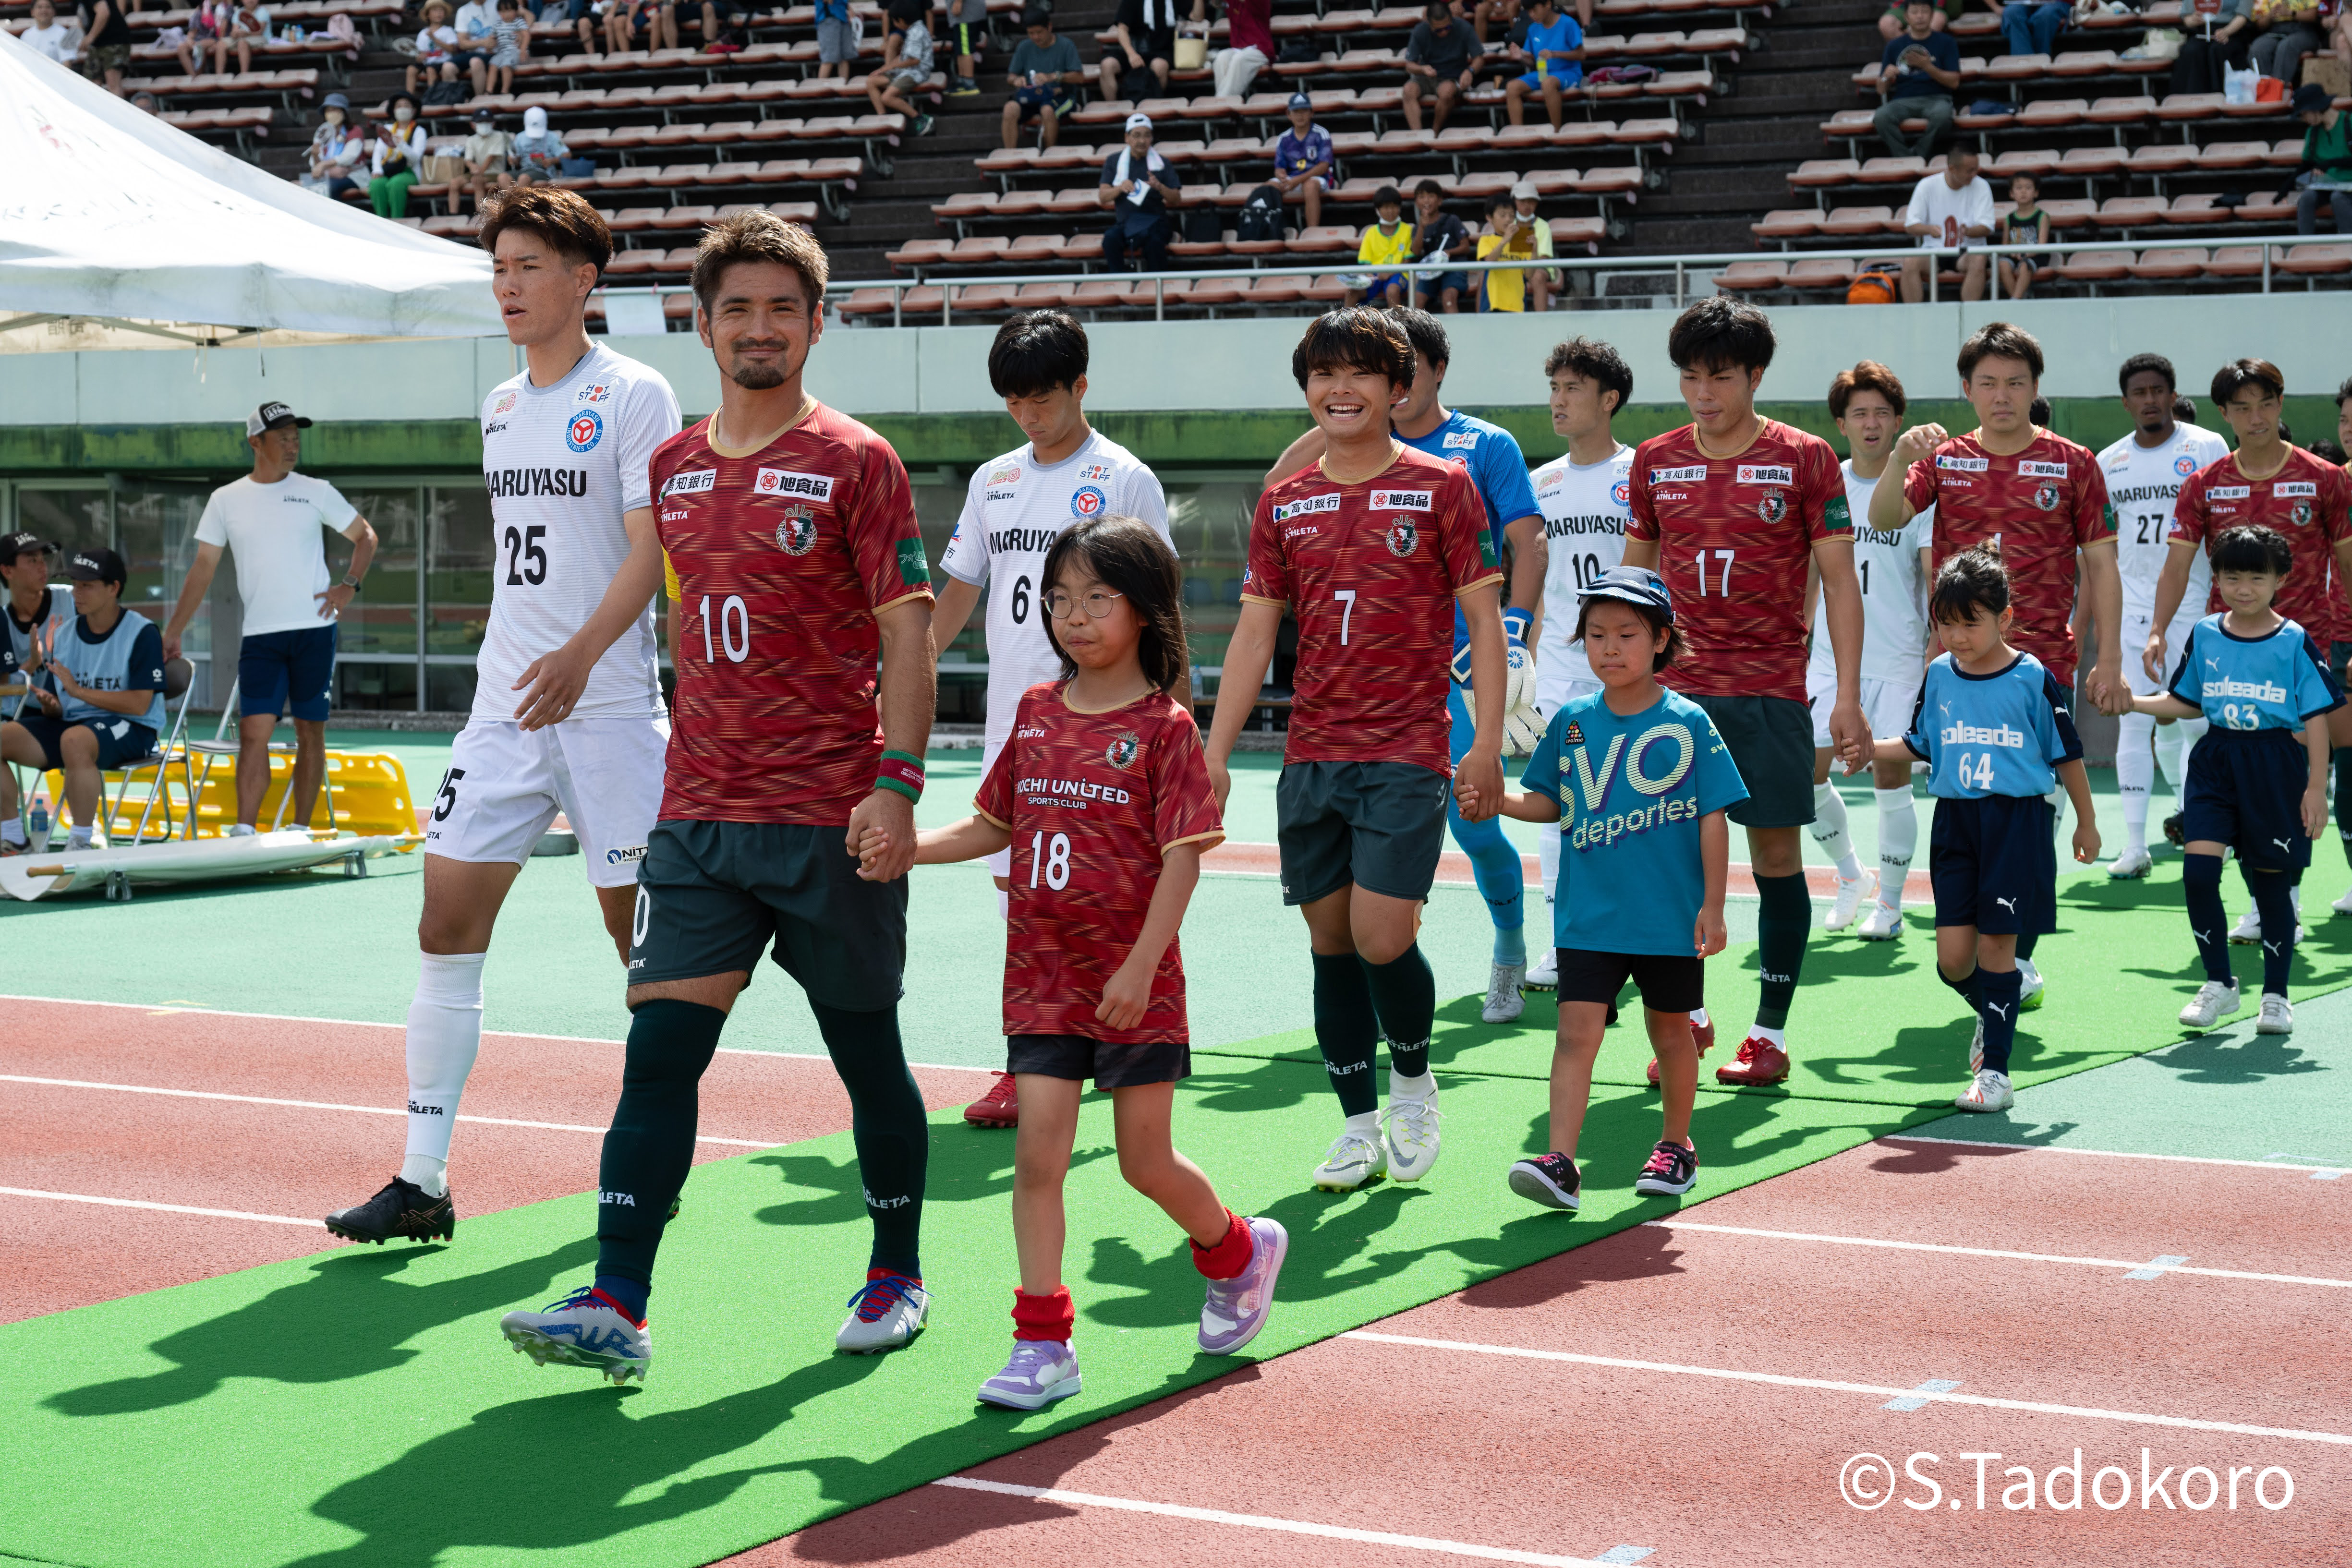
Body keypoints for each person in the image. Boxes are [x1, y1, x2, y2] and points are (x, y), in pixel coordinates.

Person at [496, 210, 937, 1378]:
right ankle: (617, 1301)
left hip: (830, 819)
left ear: (816, 324)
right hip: (696, 818)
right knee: (658, 1054)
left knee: (866, 1055)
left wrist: (896, 786)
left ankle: (896, 1269)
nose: (759, 327)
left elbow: (908, 634)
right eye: (737, 307)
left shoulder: (858, 460)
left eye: (782, 308)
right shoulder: (675, 467)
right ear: (702, 326)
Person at [322, 189, 681, 1250]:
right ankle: (421, 1180)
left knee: (643, 947)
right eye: (499, 269)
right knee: (444, 921)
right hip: (505, 708)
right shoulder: (497, 403)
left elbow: (651, 549)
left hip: (608, 707)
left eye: (529, 267)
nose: (509, 287)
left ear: (583, 278)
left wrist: (580, 655)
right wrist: (526, 655)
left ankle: (653, 1156)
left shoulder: (635, 393)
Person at [902, 514, 1285, 1406]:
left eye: (1097, 598)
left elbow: (1184, 858)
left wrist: (1141, 967)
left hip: (1132, 986)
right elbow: (992, 825)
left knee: (1143, 1162)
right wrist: (905, 847)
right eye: (1059, 598)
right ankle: (1043, 1343)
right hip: (1041, 977)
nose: (1073, 616)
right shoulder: (1036, 710)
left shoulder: (1165, 729)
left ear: (1144, 609)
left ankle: (1238, 1250)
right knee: (1038, 1160)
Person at [1205, 307, 1507, 1193]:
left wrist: (1487, 742)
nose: (1340, 389)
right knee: (1330, 941)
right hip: (1312, 754)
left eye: (1360, 373)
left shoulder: (1444, 485)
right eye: (1323, 374)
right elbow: (1254, 634)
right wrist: (1213, 753)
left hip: (1407, 748)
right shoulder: (1284, 500)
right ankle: (1356, 1125)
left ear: (1397, 387)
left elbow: (1484, 623)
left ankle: (1412, 1084)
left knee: (1381, 934)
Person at [1264, 308, 1547, 1023]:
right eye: (1333, 371)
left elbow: (1528, 540)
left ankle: (1508, 948)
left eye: (1377, 368)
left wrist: (1515, 631)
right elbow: (1275, 486)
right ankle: (1380, 991)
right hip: (1350, 695)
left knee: (1475, 825)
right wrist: (1338, 415)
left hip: (1456, 670)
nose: (1352, 383)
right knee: (1357, 911)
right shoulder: (1340, 439)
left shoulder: (1480, 447)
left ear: (1425, 372)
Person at [1622, 297, 1869, 1087]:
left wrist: (1845, 695)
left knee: (1774, 859)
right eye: (1690, 377)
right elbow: (1633, 582)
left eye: (1720, 377)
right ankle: (1688, 1017)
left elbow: (1839, 582)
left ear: (1755, 376)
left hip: (1768, 691)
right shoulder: (1654, 459)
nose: (1703, 393)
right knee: (1668, 865)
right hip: (1675, 698)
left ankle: (1768, 1032)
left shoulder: (1805, 458)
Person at [934, 310, 1171, 1128]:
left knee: (1105, 894)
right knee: (1023, 904)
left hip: (1107, 729)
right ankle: (1029, 1063)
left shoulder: (1124, 478)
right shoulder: (993, 480)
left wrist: (1166, 718)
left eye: (1042, 399)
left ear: (1080, 387)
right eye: (1014, 402)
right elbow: (960, 588)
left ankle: (1118, 1044)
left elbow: (1158, 604)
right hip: (1018, 726)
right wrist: (911, 666)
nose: (1028, 416)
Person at [1873, 322, 2124, 1010]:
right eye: (1987, 383)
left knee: (2034, 803)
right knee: (1968, 797)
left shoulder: (2073, 462)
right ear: (1966, 389)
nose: (2001, 395)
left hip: (2043, 664)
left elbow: (2102, 564)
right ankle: (1991, 951)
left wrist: (2109, 656)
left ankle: (2015, 948)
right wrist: (1898, 458)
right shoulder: (1944, 459)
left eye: (2015, 382)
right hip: (1958, 669)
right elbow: (1886, 515)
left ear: (2035, 387)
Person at [1483, 568, 1741, 1209]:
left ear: (1660, 640)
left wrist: (1712, 906)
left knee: (1671, 1033)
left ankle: (1676, 1145)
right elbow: (1549, 801)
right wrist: (1499, 801)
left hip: (1667, 917)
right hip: (1587, 917)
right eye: (1596, 634)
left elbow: (1712, 817)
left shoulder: (1688, 721)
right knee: (1575, 1033)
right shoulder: (1571, 720)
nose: (1609, 647)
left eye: (1627, 633)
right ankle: (1560, 1161)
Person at [1870, 549, 2097, 1113]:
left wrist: (2086, 822)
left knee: (1997, 946)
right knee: (1953, 960)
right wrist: (1865, 750)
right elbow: (1919, 743)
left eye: (1969, 622)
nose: (1955, 636)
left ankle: (1995, 1071)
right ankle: (1995, 1009)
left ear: (2004, 617)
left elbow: (2066, 754)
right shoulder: (1938, 674)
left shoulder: (2031, 677)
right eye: (1945, 623)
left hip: (2015, 823)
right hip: (1954, 823)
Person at [2154, 357, 2352, 923]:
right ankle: (2267, 902)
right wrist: (2155, 629)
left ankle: (2280, 900)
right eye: (2241, 407)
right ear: (2223, 413)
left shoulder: (2325, 478)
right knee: (2243, 781)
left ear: (2280, 404)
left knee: (2298, 775)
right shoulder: (2203, 484)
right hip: (2229, 658)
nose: (2255, 416)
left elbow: (2347, 565)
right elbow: (2176, 566)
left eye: (2265, 403)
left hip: (2303, 653)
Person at [2134, 526, 2340, 1037]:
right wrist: (2132, 702)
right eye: (2231, 577)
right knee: (2198, 875)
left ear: (2280, 579)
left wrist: (2316, 786)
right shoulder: (2205, 633)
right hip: (2215, 761)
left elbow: (2316, 717)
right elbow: (2185, 702)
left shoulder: (2293, 640)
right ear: (2216, 578)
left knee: (2270, 883)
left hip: (2275, 766)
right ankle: (2219, 983)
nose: (2242, 588)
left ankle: (2276, 995)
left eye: (2255, 578)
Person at [159, 403, 377, 837]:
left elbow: (365, 537)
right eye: (283, 438)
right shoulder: (226, 500)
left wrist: (349, 586)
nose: (293, 446)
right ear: (255, 443)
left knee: (310, 732)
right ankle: (245, 829)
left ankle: (300, 829)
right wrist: (174, 631)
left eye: (296, 438)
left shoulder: (316, 490)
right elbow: (203, 569)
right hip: (261, 636)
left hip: (315, 631)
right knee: (253, 732)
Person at [1520, 337, 1637, 990]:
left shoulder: (1639, 471)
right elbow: (1540, 583)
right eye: (1553, 388)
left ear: (1608, 398)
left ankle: (1633, 937)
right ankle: (1564, 939)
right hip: (1561, 666)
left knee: (1628, 802)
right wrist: (1527, 658)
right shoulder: (1541, 481)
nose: (1557, 401)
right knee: (1558, 797)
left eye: (1572, 389)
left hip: (1628, 663)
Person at [1809, 362, 1933, 942]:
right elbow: (1809, 574)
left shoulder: (1917, 489)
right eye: (1858, 412)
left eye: (1881, 412)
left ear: (1898, 421)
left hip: (1898, 658)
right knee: (1805, 776)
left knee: (1891, 778)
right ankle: (1850, 875)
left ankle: (1889, 902)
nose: (1870, 423)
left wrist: (1934, 651)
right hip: (1828, 662)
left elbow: (1932, 579)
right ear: (1841, 423)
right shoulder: (1823, 483)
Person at [2097, 353, 2230, 880]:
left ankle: (2206, 830)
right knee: (2132, 721)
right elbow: (2101, 546)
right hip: (2132, 610)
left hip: (2195, 608)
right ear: (2125, 402)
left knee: (2198, 722)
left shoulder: (2206, 446)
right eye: (2140, 392)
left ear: (2173, 396)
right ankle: (2134, 845)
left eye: (2158, 390)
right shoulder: (2108, 461)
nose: (2149, 400)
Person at [0, 549, 166, 855]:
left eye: (87, 586)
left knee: (75, 740)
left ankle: (80, 842)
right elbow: (61, 703)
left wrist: (78, 692)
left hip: (133, 728)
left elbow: (140, 705)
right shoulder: (64, 635)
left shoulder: (142, 632)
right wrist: (52, 705)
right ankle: (13, 840)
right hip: (73, 724)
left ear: (113, 588)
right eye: (75, 585)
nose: (77, 593)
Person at [1900, 148, 1992, 303]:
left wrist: (1969, 231)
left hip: (1967, 252)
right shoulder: (1927, 185)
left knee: (1979, 259)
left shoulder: (1982, 186)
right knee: (1910, 262)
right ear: (1952, 169)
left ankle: (1969, 313)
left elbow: (1987, 227)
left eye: (1976, 169)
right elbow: (1911, 225)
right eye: (1970, 171)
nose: (1974, 174)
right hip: (1934, 250)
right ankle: (1914, 315)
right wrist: (1929, 229)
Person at [1875, 0, 1961, 158]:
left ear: (1932, 15)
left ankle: (1919, 154)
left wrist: (1927, 67)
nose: (1920, 16)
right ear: (1906, 17)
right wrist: (1886, 77)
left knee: (1943, 116)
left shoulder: (1946, 42)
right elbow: (1881, 90)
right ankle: (1905, 157)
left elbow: (1955, 82)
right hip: (1903, 100)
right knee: (1881, 117)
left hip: (1937, 98)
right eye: (1915, 12)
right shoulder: (1894, 46)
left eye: (1924, 11)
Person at [1098, 113, 1180, 273]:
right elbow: (1103, 197)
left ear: (1152, 138)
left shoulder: (1162, 163)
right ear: (1127, 138)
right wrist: (1120, 188)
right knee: (1110, 240)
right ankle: (1120, 280)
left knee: (1155, 244)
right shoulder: (1114, 161)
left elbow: (1176, 200)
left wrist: (1160, 187)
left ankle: (1156, 283)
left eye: (1147, 136)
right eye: (1137, 136)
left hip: (1156, 223)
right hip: (1126, 223)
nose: (1142, 141)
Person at [1003, 8, 1084, 151]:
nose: (1035, 37)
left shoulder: (1066, 45)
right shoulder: (1024, 47)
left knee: (1047, 110)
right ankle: (1010, 155)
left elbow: (1079, 77)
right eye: (1031, 33)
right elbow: (1011, 76)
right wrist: (1016, 80)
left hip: (1060, 96)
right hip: (1032, 96)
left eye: (1039, 32)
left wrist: (1053, 76)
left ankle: (1049, 153)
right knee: (1010, 108)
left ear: (1049, 27)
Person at [2281, 83, 2352, 237]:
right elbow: (2306, 165)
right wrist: (2282, 193)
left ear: (2315, 109)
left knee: (2338, 198)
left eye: (2303, 114)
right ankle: (2305, 245)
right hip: (2328, 185)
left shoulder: (2349, 122)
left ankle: (2349, 244)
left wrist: (2331, 164)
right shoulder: (2313, 132)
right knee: (2306, 198)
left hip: (2348, 186)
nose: (2303, 119)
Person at [1504, 0, 1582, 130]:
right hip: (1543, 73)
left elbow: (1581, 55)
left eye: (1534, 10)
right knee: (1512, 87)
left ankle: (1556, 132)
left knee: (1548, 83)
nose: (1532, 15)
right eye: (1529, 12)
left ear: (1548, 4)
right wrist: (1521, 57)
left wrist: (1555, 54)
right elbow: (1532, 61)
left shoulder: (1568, 23)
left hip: (1569, 72)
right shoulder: (1533, 28)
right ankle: (1517, 133)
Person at [1402, 1, 1477, 133]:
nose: (1444, 32)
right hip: (1426, 75)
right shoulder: (1420, 30)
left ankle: (1434, 133)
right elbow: (1410, 65)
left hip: (1453, 76)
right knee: (1408, 90)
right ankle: (1418, 135)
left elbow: (1479, 58)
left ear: (1451, 19)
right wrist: (1422, 69)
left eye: (1447, 27)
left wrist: (1470, 71)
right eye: (1438, 30)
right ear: (1429, 23)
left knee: (1446, 91)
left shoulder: (1464, 27)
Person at [867, 0, 936, 135]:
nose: (894, 24)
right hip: (904, 71)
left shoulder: (917, 33)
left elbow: (914, 61)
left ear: (901, 20)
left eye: (895, 21)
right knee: (871, 81)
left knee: (887, 98)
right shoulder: (912, 30)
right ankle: (884, 119)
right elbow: (905, 57)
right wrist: (885, 68)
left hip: (916, 73)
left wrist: (889, 67)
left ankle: (920, 119)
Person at [1271, 92, 1332, 231]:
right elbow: (1279, 167)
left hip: (1319, 178)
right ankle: (1271, 231)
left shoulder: (1321, 133)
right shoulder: (1284, 138)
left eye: (1304, 111)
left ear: (1312, 113)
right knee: (1269, 187)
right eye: (1296, 112)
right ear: (1289, 114)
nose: (1300, 116)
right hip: (1292, 178)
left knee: (1310, 186)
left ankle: (1312, 232)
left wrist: (1297, 180)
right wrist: (1281, 175)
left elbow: (1324, 166)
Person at [1409, 179, 1473, 314]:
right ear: (1417, 203)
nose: (1426, 200)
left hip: (1453, 268)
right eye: (1422, 197)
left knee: (1448, 298)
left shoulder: (1452, 220)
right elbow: (1416, 251)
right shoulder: (1417, 228)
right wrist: (1422, 227)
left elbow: (1466, 247)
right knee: (1417, 301)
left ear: (1440, 201)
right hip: (1430, 272)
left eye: (1431, 196)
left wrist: (1449, 252)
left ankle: (1455, 328)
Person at [1100, 0, 1179, 100]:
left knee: (1160, 66)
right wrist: (1132, 54)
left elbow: (1195, 17)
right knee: (1107, 65)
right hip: (1131, 51)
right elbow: (1122, 29)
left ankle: (1153, 106)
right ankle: (1114, 107)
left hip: (1160, 52)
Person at [2172, 0, 2255, 96]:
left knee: (2219, 50)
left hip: (2232, 32)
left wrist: (2227, 32)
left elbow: (2243, 16)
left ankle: (2223, 96)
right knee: (2192, 51)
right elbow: (2187, 19)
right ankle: (2193, 98)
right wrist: (2194, 19)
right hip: (2202, 31)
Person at [1349, 185, 1413, 306]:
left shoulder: (1407, 230)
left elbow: (1407, 261)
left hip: (1399, 273)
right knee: (1352, 291)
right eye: (1386, 207)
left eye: (1394, 207)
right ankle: (1347, 319)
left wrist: (1389, 273)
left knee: (1392, 291)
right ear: (1378, 210)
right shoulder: (1370, 233)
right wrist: (1369, 275)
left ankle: (1396, 319)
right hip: (1375, 274)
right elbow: (1366, 262)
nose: (1391, 211)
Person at [1475, 192, 1539, 311]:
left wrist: (1534, 252)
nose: (1508, 219)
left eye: (1511, 215)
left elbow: (1529, 274)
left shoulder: (1520, 241)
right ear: (1489, 218)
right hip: (1493, 304)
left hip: (1518, 305)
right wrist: (1505, 240)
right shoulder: (1486, 240)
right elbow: (1489, 261)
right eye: (1503, 215)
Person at [368, 95, 425, 219]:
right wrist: (377, 169)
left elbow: (415, 158)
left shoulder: (419, 131)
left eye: (406, 106)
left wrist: (402, 145)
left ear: (414, 110)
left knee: (396, 184)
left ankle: (397, 220)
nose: (402, 109)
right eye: (399, 106)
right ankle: (381, 220)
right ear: (394, 110)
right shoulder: (388, 129)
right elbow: (378, 152)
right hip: (388, 168)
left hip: (408, 171)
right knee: (376, 184)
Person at [1994, 173, 2048, 299]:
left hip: (2036, 256)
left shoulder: (2042, 216)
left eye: (2028, 188)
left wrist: (2026, 254)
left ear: (2036, 193)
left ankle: (2015, 301)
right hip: (2015, 255)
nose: (2023, 191)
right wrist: (2013, 253)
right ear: (2012, 194)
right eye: (2019, 188)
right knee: (2003, 265)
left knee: (2025, 266)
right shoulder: (2009, 218)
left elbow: (2042, 245)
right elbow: (2005, 245)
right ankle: (2019, 300)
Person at [307, 93, 368, 199]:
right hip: (328, 175)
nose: (331, 114)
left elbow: (348, 157)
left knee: (330, 187)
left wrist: (323, 166)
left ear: (344, 112)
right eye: (328, 110)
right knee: (298, 186)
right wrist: (316, 156)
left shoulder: (355, 131)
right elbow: (315, 166)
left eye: (335, 110)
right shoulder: (322, 133)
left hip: (352, 175)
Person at [1209, 0, 1273, 99]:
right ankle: (1223, 102)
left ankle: (1221, 102)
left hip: (1261, 50)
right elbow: (1217, 3)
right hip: (1238, 49)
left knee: (1239, 59)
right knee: (1222, 57)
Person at [458, 107, 513, 216]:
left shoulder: (499, 136)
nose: (484, 124)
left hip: (495, 173)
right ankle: (453, 215)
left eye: (487, 122)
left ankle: (480, 214)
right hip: (479, 171)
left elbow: (491, 157)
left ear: (493, 124)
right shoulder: (471, 139)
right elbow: (468, 160)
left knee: (477, 180)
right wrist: (472, 166)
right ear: (473, 124)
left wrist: (479, 172)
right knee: (454, 183)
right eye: (480, 122)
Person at [2249, 0, 2323, 80]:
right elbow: (2259, 25)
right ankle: (2263, 85)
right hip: (2275, 30)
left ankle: (2279, 85)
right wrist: (2270, 16)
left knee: (2286, 46)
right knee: (2258, 48)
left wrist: (2290, 13)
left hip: (2303, 30)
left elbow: (2313, 16)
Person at [407, 1, 460, 96]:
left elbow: (452, 49)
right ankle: (409, 97)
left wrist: (434, 39)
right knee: (411, 69)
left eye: (441, 11)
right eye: (435, 10)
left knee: (430, 70)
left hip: (442, 63)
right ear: (428, 15)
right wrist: (419, 58)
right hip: (427, 63)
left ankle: (432, 97)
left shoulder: (448, 31)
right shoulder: (423, 33)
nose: (439, 13)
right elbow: (419, 55)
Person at [78, 0, 131, 93]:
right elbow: (81, 16)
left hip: (114, 39)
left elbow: (104, 12)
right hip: (97, 43)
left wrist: (90, 37)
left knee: (113, 83)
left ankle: (116, 104)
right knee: (91, 84)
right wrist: (81, 39)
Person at [509, 104, 568, 188]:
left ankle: (517, 197)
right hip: (525, 169)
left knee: (524, 178)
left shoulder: (553, 137)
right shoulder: (520, 137)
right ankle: (510, 197)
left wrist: (552, 161)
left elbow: (567, 155)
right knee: (503, 177)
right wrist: (513, 160)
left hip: (544, 171)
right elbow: (517, 158)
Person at [938, 0, 988, 96]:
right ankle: (962, 81)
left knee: (966, 49)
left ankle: (969, 83)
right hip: (963, 16)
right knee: (961, 49)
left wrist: (958, 2)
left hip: (965, 14)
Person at [486, 0, 529, 95]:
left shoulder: (519, 22)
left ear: (516, 11)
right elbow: (492, 38)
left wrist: (523, 50)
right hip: (502, 52)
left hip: (516, 51)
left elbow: (526, 35)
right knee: (493, 64)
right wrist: (488, 49)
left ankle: (505, 91)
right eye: (503, 12)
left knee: (506, 66)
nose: (507, 14)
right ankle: (489, 91)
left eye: (509, 11)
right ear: (499, 13)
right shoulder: (497, 25)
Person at [2002, 0, 2068, 59]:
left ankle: (2040, 63)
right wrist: (1997, 8)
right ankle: (2025, 64)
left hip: (2057, 3)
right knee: (2011, 13)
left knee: (2045, 15)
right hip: (2023, 2)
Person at [24, 0, 80, 67]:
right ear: (32, 12)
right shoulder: (26, 35)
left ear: (54, 12)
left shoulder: (64, 34)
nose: (44, 10)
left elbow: (67, 63)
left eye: (48, 7)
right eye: (40, 7)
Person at [813, 0, 854, 79]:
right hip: (828, 19)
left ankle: (843, 85)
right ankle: (820, 85)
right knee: (828, 59)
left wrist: (850, 10)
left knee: (844, 58)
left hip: (843, 18)